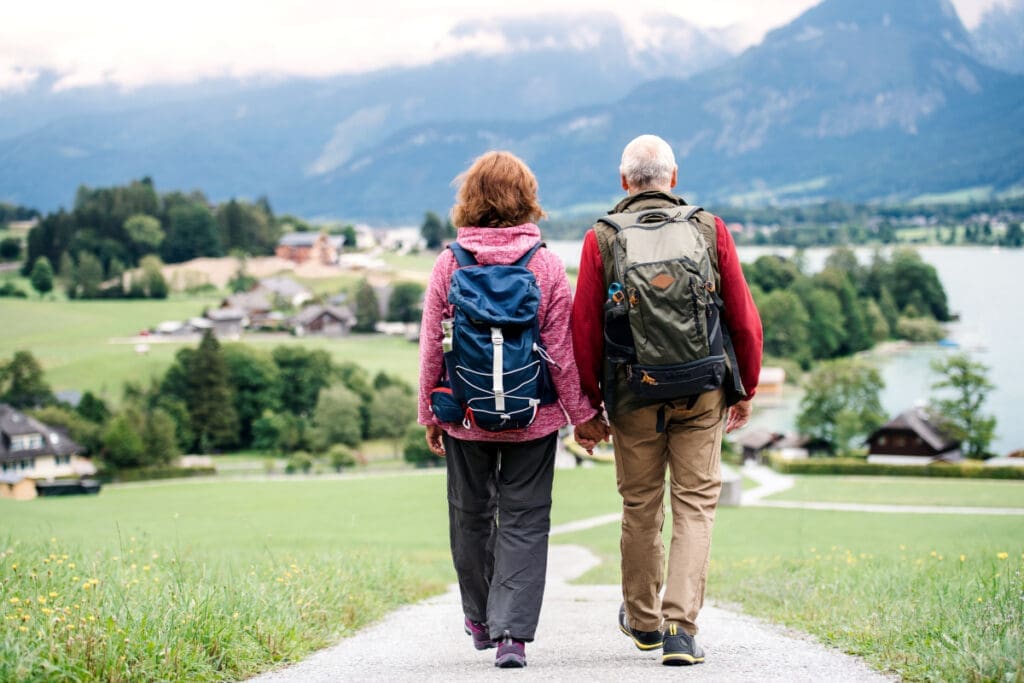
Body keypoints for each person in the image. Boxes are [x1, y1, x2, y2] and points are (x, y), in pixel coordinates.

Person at [571, 134, 763, 666]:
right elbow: (744, 317)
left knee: (640, 505)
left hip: (633, 393)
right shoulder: (708, 228)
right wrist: (742, 386)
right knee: (695, 505)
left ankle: (643, 621)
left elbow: (582, 329)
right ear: (673, 178)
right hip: (703, 388)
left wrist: (588, 410)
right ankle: (681, 627)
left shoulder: (602, 238)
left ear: (623, 181)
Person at [418, 150, 607, 669]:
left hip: (466, 416)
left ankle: (479, 619)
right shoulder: (544, 263)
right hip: (535, 417)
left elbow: (433, 346)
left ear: (470, 198)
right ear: (527, 198)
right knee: (525, 521)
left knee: (470, 516)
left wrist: (431, 414)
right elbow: (562, 354)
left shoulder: (449, 262)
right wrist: (583, 415)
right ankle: (512, 637)